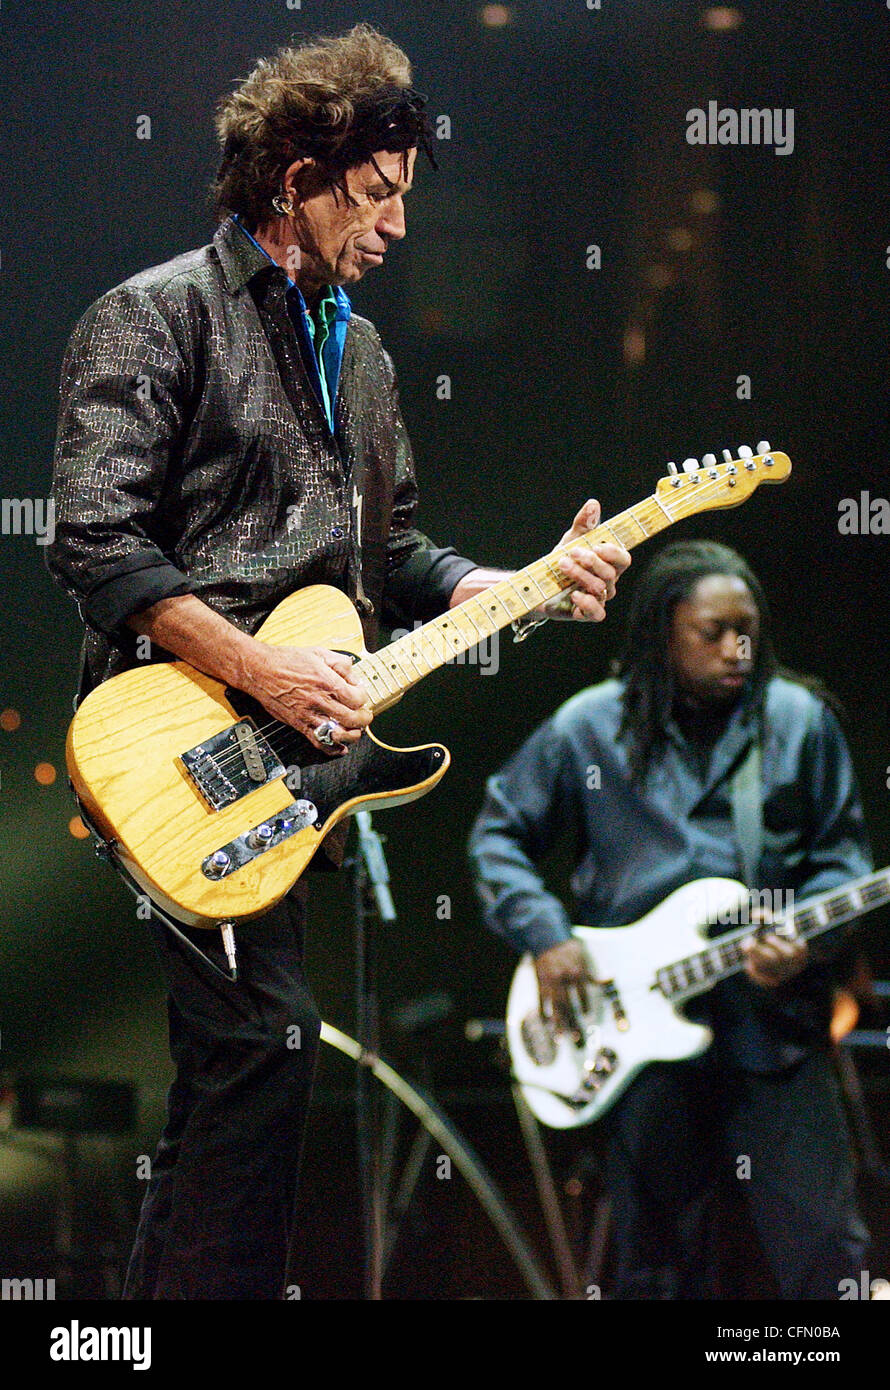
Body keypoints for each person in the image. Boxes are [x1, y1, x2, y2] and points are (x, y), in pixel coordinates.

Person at [46, 24, 630, 1299]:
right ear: (291, 179)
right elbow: (95, 543)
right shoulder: (152, 318)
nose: (395, 229)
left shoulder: (355, 355)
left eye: (403, 199)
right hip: (181, 748)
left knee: (246, 1072)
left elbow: (392, 555)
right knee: (264, 1048)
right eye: (373, 196)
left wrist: (504, 584)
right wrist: (259, 670)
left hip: (295, 768)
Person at [468, 539, 872, 1300]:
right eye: (713, 632)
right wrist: (548, 937)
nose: (737, 649)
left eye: (747, 630)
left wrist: (806, 942)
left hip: (773, 1033)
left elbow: (844, 860)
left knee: (826, 1258)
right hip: (637, 1045)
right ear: (664, 632)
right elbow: (499, 835)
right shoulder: (588, 727)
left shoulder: (799, 720)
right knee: (655, 1266)